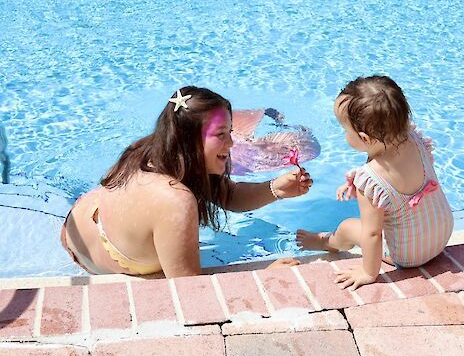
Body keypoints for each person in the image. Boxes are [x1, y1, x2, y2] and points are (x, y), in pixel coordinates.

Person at [61, 86, 313, 277]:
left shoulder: (150, 149)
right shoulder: (176, 201)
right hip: (98, 259)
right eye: (221, 135)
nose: (232, 143)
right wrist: (262, 275)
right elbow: (190, 291)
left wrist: (275, 189)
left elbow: (227, 195)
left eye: (230, 132)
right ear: (189, 139)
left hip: (82, 219)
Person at [296, 75, 453, 291]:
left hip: (410, 255)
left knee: (348, 227)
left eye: (345, 130)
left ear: (365, 139)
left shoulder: (370, 181)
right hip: (442, 235)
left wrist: (368, 272)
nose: (344, 134)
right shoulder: (414, 139)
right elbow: (397, 177)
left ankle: (325, 242)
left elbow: (372, 233)